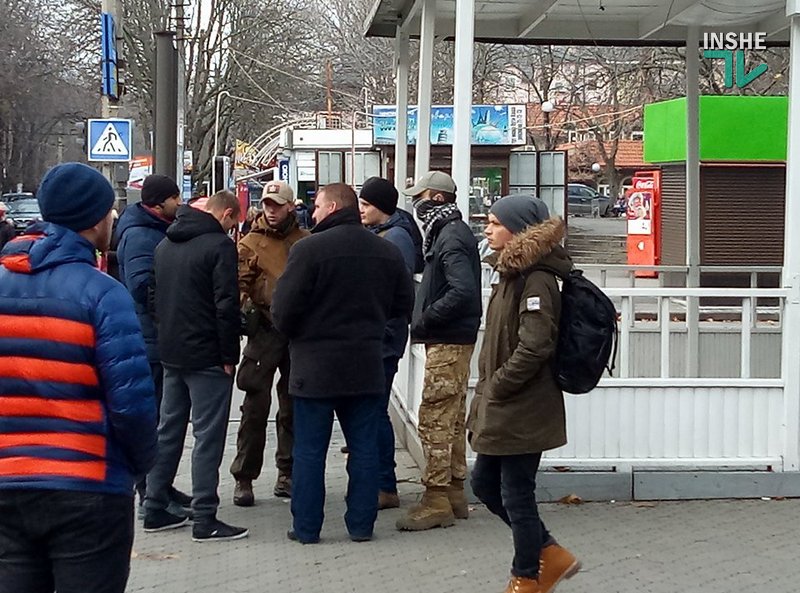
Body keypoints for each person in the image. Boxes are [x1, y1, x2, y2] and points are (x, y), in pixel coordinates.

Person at [0, 163, 158, 593]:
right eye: (110, 212)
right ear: (95, 219)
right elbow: (131, 403)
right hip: (88, 487)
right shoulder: (103, 294)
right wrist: (139, 466)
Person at [272, 182, 413, 544]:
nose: (313, 212)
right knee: (364, 449)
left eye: (317, 206)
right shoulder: (385, 251)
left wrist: (298, 335)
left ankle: (306, 529)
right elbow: (402, 306)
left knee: (309, 452)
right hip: (365, 364)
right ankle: (361, 526)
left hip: (314, 367)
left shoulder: (307, 250)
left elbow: (283, 310)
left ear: (333, 207)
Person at [468, 195, 580, 593]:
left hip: (523, 405)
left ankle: (527, 576)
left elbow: (535, 346)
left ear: (518, 231)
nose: (487, 228)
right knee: (484, 484)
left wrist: (498, 384)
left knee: (516, 492)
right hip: (504, 404)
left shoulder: (536, 279)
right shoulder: (511, 273)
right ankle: (548, 551)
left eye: (495, 222)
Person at [144, 190, 247, 542]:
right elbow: (226, 305)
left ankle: (154, 505)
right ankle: (205, 516)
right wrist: (228, 355)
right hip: (208, 356)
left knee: (168, 430)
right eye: (235, 221)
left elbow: (152, 296)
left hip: (172, 353)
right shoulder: (219, 246)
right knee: (208, 436)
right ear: (227, 215)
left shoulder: (164, 245)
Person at [396, 170, 482, 532]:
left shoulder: (448, 237)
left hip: (448, 337)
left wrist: (427, 318)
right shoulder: (451, 232)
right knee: (451, 413)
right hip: (454, 336)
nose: (415, 204)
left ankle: (436, 499)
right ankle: (455, 492)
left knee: (435, 416)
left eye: (420, 196)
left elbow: (462, 291)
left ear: (436, 198)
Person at [115, 174, 190, 518]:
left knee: (163, 417)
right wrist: (172, 315)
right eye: (175, 198)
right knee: (156, 419)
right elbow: (144, 288)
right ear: (159, 203)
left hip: (156, 338)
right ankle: (151, 495)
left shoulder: (151, 229)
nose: (180, 204)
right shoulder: (141, 235)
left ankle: (161, 486)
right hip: (151, 341)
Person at [231, 181, 309, 506]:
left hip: (297, 333)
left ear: (291, 206)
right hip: (263, 331)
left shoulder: (306, 243)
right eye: (267, 204)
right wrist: (247, 306)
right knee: (254, 408)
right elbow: (236, 285)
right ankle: (244, 477)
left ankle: (287, 473)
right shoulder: (249, 243)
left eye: (277, 204)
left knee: (292, 408)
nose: (271, 210)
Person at [358, 176, 418, 509]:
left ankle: (385, 484)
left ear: (381, 206)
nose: (361, 210)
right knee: (373, 409)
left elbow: (395, 289)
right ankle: (381, 480)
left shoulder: (395, 239)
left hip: (385, 336)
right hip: (384, 334)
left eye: (366, 205)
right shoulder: (388, 235)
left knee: (376, 411)